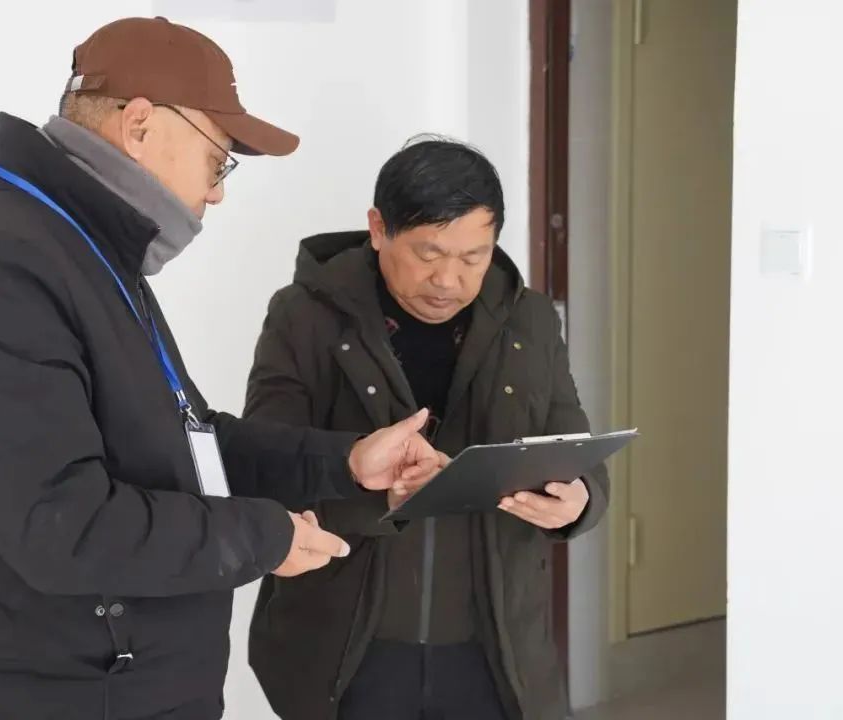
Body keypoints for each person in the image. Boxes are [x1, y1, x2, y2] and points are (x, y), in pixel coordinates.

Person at [0, 18, 440, 720]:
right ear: (140, 125)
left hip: (137, 687)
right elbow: (65, 526)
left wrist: (347, 462)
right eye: (219, 159)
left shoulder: (80, 248)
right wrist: (264, 538)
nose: (218, 192)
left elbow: (184, 443)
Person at [244, 137, 611, 720]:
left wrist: (579, 500)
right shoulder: (305, 315)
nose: (448, 280)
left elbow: (575, 451)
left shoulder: (530, 320)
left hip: (495, 647)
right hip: (347, 646)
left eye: (473, 257)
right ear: (378, 229)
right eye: (428, 253)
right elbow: (264, 464)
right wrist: (379, 493)